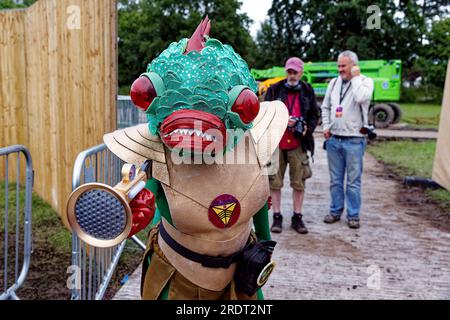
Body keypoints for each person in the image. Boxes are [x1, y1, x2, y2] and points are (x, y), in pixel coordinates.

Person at [265, 57, 320, 234]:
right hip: (277, 143)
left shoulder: (307, 90)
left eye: (295, 72)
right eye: (289, 71)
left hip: (299, 143)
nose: (292, 75)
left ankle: (297, 217)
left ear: (301, 73)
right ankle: (277, 217)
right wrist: (281, 120)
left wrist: (307, 129)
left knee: (299, 183)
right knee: (275, 182)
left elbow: (314, 115)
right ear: (285, 71)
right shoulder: (274, 89)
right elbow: (264, 112)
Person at [321, 50, 374, 229]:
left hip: (354, 140)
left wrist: (356, 77)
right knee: (335, 180)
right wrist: (326, 127)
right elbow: (326, 106)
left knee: (353, 181)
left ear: (354, 66)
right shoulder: (334, 83)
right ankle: (335, 211)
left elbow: (361, 97)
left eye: (344, 66)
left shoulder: (366, 82)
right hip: (334, 139)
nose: (340, 69)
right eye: (339, 66)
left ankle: (353, 215)